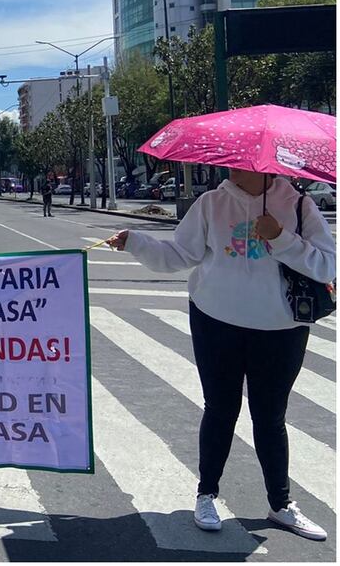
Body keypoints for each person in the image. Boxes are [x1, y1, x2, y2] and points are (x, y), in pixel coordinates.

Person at [106, 169, 334, 541]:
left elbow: (327, 266)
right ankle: (206, 494)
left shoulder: (300, 205)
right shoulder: (211, 204)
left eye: (244, 158)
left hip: (280, 330)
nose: (233, 165)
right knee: (220, 409)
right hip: (216, 321)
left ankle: (281, 504)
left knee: (270, 417)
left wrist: (281, 237)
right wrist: (135, 241)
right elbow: (179, 255)